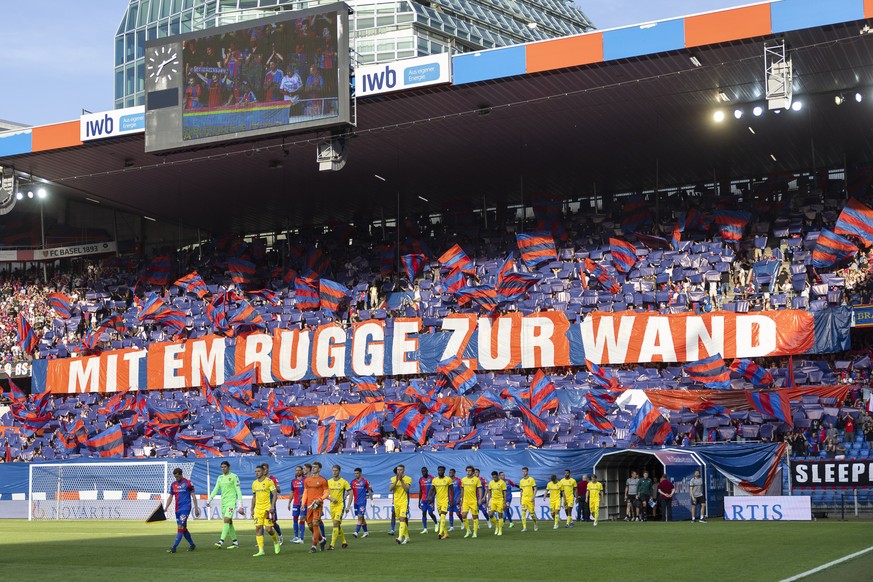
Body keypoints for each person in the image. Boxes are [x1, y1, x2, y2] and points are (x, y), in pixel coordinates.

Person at [206, 460, 242, 549]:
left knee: (226, 519)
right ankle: (235, 542)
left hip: (231, 502)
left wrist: (240, 504)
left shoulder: (234, 477)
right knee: (229, 522)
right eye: (222, 467)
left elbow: (238, 490)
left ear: (228, 467)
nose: (223, 469)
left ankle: (221, 541)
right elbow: (216, 489)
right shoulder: (220, 478)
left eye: (225, 467)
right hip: (224, 503)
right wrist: (209, 499)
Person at [164, 467, 199, 553]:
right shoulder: (173, 484)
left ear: (181, 474)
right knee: (183, 528)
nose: (177, 478)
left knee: (180, 527)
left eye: (178, 476)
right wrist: (166, 507)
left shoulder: (188, 483)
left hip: (186, 508)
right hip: (177, 509)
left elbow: (193, 496)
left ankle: (174, 548)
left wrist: (196, 508)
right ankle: (192, 544)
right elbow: (170, 497)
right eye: (175, 477)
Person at [250, 465, 280, 557]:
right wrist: (252, 508)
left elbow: (275, 495)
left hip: (267, 509)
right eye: (255, 471)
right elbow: (254, 496)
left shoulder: (269, 482)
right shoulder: (254, 483)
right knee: (258, 528)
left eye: (258, 471)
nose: (256, 473)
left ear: (263, 472)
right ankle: (261, 550)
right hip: (258, 509)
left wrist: (272, 506)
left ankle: (276, 541)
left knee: (269, 529)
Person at [302, 461, 329, 553]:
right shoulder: (307, 480)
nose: (313, 468)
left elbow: (326, 492)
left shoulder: (323, 480)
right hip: (309, 505)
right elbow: (305, 492)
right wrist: (303, 503)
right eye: (313, 467)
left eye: (315, 467)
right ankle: (321, 540)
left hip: (317, 504)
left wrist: (320, 499)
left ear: (319, 469)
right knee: (310, 526)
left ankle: (314, 546)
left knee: (315, 523)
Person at [327, 464, 351, 550]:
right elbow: (324, 494)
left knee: (335, 523)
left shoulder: (344, 482)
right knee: (337, 525)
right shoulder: (329, 482)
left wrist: (348, 506)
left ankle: (331, 545)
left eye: (336, 470)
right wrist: (330, 498)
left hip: (340, 506)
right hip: (332, 506)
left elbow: (351, 493)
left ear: (339, 471)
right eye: (333, 470)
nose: (334, 472)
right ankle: (344, 542)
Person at [261, 462, 283, 544]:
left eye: (265, 469)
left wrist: (272, 485)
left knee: (273, 522)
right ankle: (261, 540)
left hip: (270, 503)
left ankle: (280, 536)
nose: (264, 471)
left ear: (268, 469)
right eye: (262, 469)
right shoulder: (260, 480)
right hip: (262, 503)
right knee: (261, 522)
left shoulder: (273, 479)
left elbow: (279, 490)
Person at [390, 464, 413, 544]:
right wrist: (396, 480)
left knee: (403, 518)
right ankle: (407, 537)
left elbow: (407, 489)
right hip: (396, 502)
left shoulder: (408, 479)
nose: (399, 471)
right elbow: (390, 489)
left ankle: (400, 537)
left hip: (404, 502)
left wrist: (401, 480)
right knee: (400, 519)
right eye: (398, 470)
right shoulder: (393, 479)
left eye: (400, 470)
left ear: (403, 470)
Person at [430, 465, 453, 539]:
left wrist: (451, 500)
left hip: (445, 501)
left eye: (441, 470)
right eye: (439, 470)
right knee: (441, 517)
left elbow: (451, 490)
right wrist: (429, 497)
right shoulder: (434, 480)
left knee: (443, 516)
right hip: (438, 501)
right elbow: (432, 489)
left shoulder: (448, 479)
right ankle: (446, 534)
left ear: (444, 471)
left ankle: (440, 533)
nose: (440, 471)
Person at [460, 465, 483, 539]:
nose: (468, 472)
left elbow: (480, 489)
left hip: (473, 501)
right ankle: (468, 530)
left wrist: (480, 499)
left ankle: (475, 532)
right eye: (467, 470)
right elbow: (462, 490)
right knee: (463, 515)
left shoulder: (476, 479)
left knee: (474, 517)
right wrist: (461, 499)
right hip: (465, 501)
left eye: (470, 470)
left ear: (473, 472)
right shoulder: (463, 479)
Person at [350, 467, 373, 538]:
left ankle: (356, 532)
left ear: (360, 473)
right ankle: (366, 532)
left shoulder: (365, 481)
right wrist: (345, 496)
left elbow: (369, 491)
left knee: (360, 517)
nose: (356, 475)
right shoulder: (352, 482)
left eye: (357, 473)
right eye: (355, 473)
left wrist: (372, 500)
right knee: (361, 518)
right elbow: (350, 491)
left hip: (362, 502)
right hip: (355, 502)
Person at [287, 465, 305, 544]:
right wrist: (289, 502)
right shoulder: (293, 481)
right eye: (296, 470)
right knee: (294, 519)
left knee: (302, 519)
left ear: (302, 471)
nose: (297, 472)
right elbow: (291, 492)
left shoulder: (305, 480)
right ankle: (296, 536)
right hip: (295, 503)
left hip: (303, 503)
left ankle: (301, 537)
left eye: (299, 470)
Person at [418, 466, 438, 534]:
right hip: (423, 499)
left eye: (425, 471)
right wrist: (419, 501)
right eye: (422, 472)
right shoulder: (421, 479)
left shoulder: (432, 478)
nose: (424, 473)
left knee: (430, 513)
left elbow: (435, 489)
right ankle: (425, 528)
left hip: (430, 499)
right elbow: (420, 491)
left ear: (427, 471)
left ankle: (436, 523)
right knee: (423, 512)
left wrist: (432, 497)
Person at [487, 471, 507, 536]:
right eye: (493, 477)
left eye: (495, 477)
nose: (494, 478)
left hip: (500, 500)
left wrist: (504, 503)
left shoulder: (502, 483)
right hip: (493, 500)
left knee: (500, 515)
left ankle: (500, 530)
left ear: (497, 476)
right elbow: (489, 492)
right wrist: (488, 501)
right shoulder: (491, 483)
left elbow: (505, 493)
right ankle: (496, 525)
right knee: (490, 515)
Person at [518, 467, 538, 532]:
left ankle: (535, 523)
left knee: (532, 514)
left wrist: (533, 497)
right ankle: (524, 527)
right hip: (524, 499)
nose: (524, 473)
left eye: (525, 471)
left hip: (530, 499)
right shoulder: (521, 481)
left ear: (527, 472)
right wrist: (520, 499)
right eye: (523, 471)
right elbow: (521, 490)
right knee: (523, 512)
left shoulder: (531, 479)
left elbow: (535, 489)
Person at [448, 468, 464, 532]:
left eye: (451, 472)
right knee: (450, 512)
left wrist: (460, 498)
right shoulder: (448, 481)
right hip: (450, 500)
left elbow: (462, 490)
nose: (450, 474)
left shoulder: (458, 480)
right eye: (449, 472)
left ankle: (462, 521)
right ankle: (451, 526)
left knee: (458, 513)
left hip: (457, 499)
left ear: (454, 473)